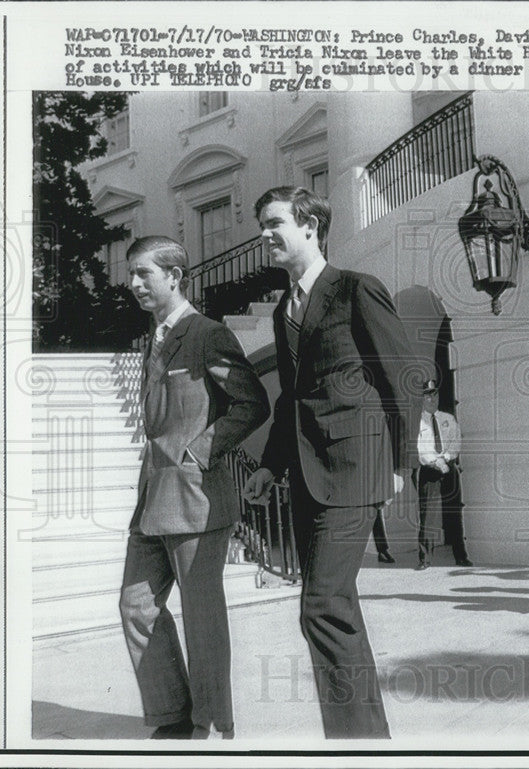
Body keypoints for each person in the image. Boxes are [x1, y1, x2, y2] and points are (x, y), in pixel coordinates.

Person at [242, 186, 415, 739]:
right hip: (307, 477)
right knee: (334, 607)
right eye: (261, 226)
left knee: (320, 604)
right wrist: (269, 466)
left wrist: (401, 461)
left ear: (311, 225)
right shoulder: (282, 310)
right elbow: (291, 396)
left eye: (274, 224)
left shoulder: (355, 290)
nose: (264, 235)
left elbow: (402, 378)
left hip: (357, 465)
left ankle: (356, 745)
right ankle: (366, 739)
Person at [119, 236, 270, 740]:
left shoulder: (208, 334)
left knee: (202, 617)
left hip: (195, 498)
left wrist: (198, 452)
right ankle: (172, 713)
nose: (134, 283)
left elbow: (250, 404)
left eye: (144, 274)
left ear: (175, 276)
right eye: (132, 274)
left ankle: (207, 722)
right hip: (151, 498)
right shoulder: (154, 340)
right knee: (136, 606)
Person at [414, 379, 472, 569]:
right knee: (428, 515)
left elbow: (456, 443)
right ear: (421, 399)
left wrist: (446, 457)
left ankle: (461, 556)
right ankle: (425, 559)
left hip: (448, 468)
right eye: (427, 395)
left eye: (435, 394)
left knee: (454, 513)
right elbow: (420, 450)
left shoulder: (448, 419)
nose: (432, 399)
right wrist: (435, 461)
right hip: (430, 470)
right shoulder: (417, 423)